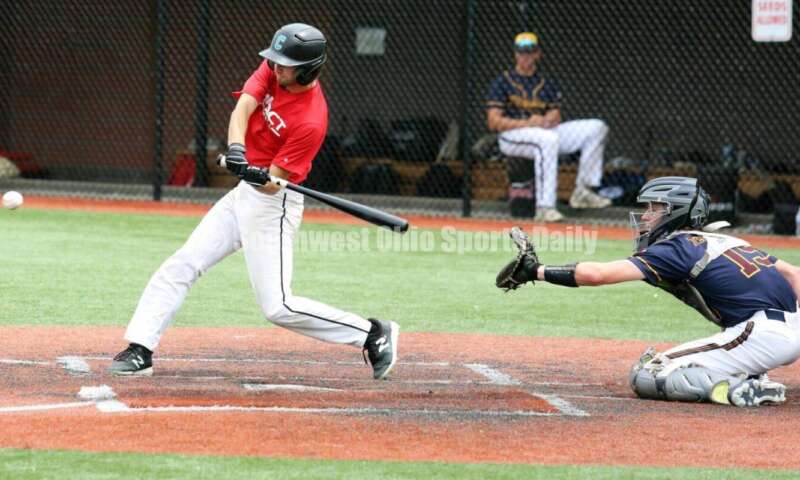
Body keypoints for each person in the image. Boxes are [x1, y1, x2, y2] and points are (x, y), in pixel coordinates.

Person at [108, 23, 399, 380]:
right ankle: (140, 348)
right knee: (183, 263)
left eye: (285, 65)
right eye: (274, 62)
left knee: (278, 306)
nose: (276, 68)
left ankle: (371, 333)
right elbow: (242, 109)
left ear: (307, 69)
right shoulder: (274, 70)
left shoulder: (310, 121)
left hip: (273, 206)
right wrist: (237, 151)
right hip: (244, 193)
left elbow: (273, 187)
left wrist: (254, 174)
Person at [495, 176, 800, 407]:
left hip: (760, 334)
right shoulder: (726, 241)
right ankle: (750, 374)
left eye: (654, 209)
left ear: (676, 212)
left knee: (648, 374)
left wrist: (535, 271)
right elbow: (794, 274)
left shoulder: (675, 248)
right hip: (785, 328)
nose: (645, 216)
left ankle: (738, 389)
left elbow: (597, 274)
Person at [486, 32, 611, 223]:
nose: (525, 56)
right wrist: (527, 123)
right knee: (548, 140)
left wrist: (548, 119)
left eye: (529, 52)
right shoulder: (502, 82)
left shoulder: (546, 83)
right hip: (511, 136)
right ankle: (545, 207)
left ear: (537, 54)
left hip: (543, 131)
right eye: (521, 52)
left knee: (596, 128)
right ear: (515, 54)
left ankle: (583, 190)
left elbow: (556, 114)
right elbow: (494, 121)